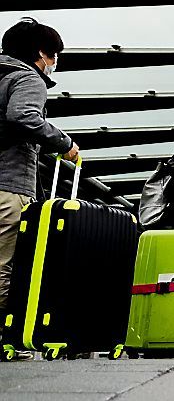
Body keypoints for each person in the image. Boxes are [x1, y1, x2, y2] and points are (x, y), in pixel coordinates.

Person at [0, 18, 78, 359]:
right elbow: (24, 116)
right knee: (4, 264)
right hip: (8, 183)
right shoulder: (28, 77)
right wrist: (64, 144)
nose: (55, 63)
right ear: (42, 53)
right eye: (55, 55)